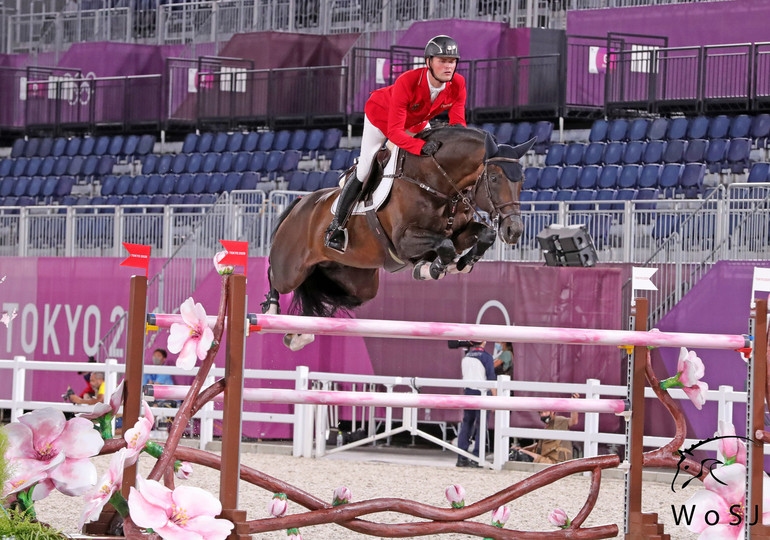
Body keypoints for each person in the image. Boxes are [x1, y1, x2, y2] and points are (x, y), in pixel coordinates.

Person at [324, 35, 467, 253]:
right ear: (428, 62)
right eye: (442, 60)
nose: (448, 66)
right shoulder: (408, 81)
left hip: (417, 120)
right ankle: (336, 228)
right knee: (365, 168)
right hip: (381, 119)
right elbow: (395, 132)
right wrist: (419, 147)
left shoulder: (457, 83)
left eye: (452, 61)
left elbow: (458, 125)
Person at [456, 341, 496, 468]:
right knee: (481, 425)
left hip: (468, 392)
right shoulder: (487, 357)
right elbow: (491, 379)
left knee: (466, 424)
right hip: (482, 392)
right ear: (484, 341)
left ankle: (461, 457)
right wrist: (495, 399)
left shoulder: (466, 357)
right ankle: (477, 457)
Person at [510, 393, 581, 464]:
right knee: (516, 453)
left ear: (552, 412)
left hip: (555, 462)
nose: (543, 415)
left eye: (545, 412)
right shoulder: (547, 427)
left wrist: (573, 403)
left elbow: (574, 421)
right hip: (547, 459)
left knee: (517, 455)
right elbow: (537, 445)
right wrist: (523, 449)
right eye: (541, 413)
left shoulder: (559, 421)